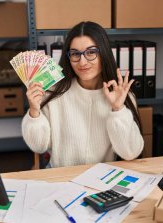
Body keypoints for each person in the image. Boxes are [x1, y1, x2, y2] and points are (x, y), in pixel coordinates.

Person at [22, 21, 144, 168]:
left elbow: (130, 153)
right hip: (61, 177)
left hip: (102, 179)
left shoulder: (122, 95)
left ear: (103, 53)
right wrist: (34, 112)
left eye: (91, 52)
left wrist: (118, 110)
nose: (82, 62)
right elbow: (39, 146)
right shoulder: (53, 93)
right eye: (75, 54)